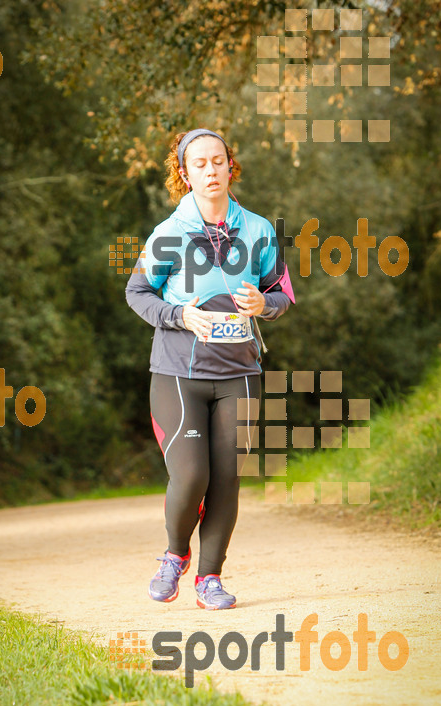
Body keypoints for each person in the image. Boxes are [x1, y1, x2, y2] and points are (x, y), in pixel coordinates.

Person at [125, 128, 294, 610]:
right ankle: (175, 556)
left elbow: (284, 295)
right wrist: (179, 315)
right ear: (184, 174)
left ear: (230, 166)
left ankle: (209, 579)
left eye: (218, 161)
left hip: (239, 374)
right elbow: (136, 294)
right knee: (193, 475)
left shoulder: (259, 230)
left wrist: (264, 303)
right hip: (178, 375)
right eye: (199, 164)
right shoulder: (169, 234)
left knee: (226, 478)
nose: (211, 170)